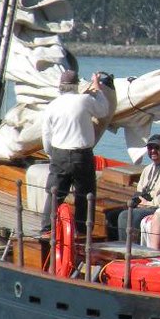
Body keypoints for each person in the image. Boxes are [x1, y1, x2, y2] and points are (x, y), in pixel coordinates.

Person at [40, 69, 110, 236]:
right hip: (82, 154)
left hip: (59, 154)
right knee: (85, 195)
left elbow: (46, 136)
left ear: (61, 87)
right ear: (76, 86)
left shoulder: (52, 106)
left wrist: (52, 155)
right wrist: (97, 88)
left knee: (54, 194)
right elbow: (104, 110)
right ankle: (82, 232)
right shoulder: (84, 100)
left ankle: (46, 230)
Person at [105, 133, 160, 243]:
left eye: (156, 148)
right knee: (110, 215)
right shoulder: (148, 169)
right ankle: (115, 246)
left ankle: (128, 249)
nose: (153, 151)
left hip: (155, 206)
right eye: (150, 148)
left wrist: (149, 203)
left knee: (126, 216)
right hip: (142, 204)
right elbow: (140, 189)